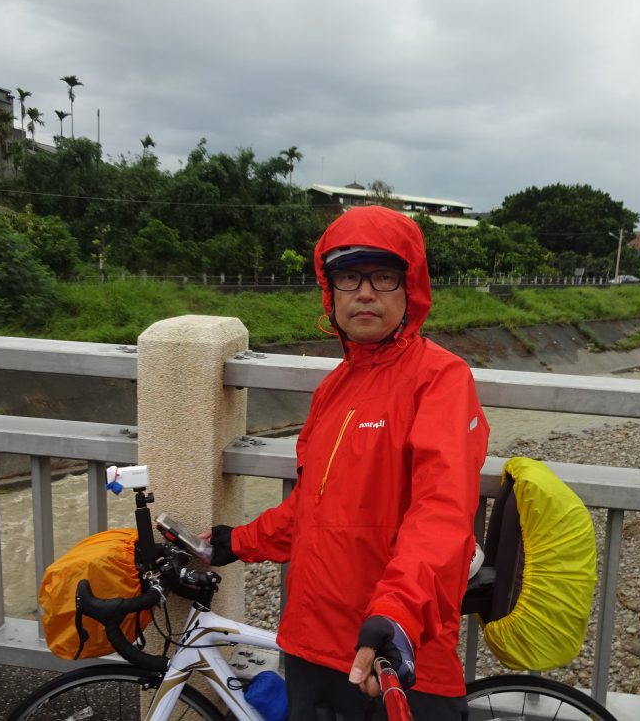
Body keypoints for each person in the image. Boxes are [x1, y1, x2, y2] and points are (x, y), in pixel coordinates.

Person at [206, 205, 490, 720]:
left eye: (383, 276)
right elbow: (312, 510)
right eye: (347, 277)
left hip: (391, 654)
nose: (364, 292)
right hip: (310, 645)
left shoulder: (441, 380)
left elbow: (442, 512)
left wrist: (399, 611)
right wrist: (235, 542)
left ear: (411, 290)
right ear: (329, 293)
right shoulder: (333, 388)